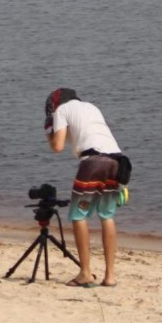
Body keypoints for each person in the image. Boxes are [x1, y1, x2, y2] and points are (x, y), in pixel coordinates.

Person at [44, 87, 123, 288]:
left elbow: (57, 146)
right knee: (107, 215)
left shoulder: (61, 111)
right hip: (116, 160)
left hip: (93, 161)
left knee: (78, 215)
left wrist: (48, 132)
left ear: (56, 104)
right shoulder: (91, 107)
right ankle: (110, 276)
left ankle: (85, 273)